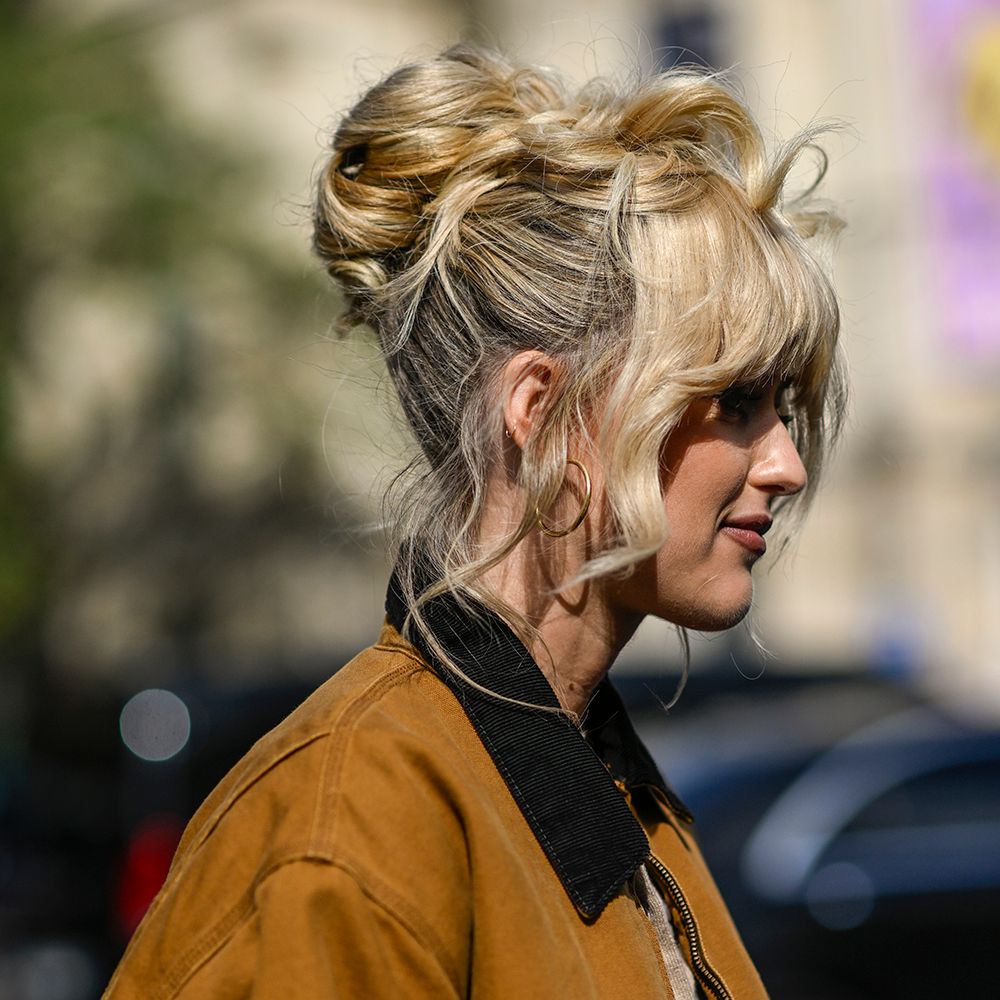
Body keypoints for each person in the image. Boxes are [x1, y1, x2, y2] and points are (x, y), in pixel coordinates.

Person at [104, 44, 845, 999]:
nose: (785, 464)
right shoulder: (349, 833)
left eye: (784, 408)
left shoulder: (618, 799)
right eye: (738, 401)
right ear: (541, 415)